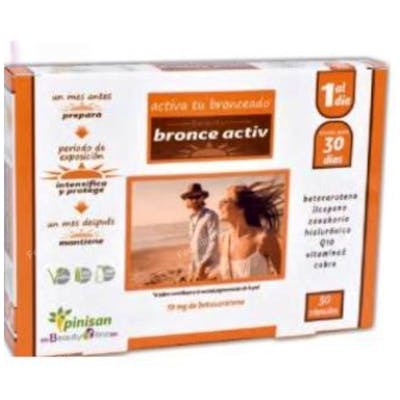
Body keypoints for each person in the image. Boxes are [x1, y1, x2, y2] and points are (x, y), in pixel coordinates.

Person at [213, 181, 284, 280]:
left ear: (241, 208)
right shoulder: (223, 240)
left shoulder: (264, 238)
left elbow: (282, 278)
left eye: (225, 201)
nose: (219, 205)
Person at [181, 183, 219, 281]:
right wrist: (192, 268)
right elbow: (194, 245)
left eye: (197, 197)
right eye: (190, 197)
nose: (194, 200)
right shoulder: (191, 218)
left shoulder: (210, 215)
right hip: (197, 266)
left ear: (202, 198)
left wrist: (202, 265)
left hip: (210, 267)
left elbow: (213, 241)